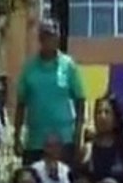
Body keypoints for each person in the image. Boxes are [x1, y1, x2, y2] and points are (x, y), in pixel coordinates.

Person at [14, 19, 85, 166]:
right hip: (35, 142)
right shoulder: (29, 68)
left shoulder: (68, 65)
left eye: (52, 36)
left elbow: (80, 101)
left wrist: (78, 134)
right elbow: (21, 104)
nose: (49, 40)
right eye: (45, 36)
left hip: (64, 140)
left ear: (58, 38)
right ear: (40, 38)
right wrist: (17, 137)